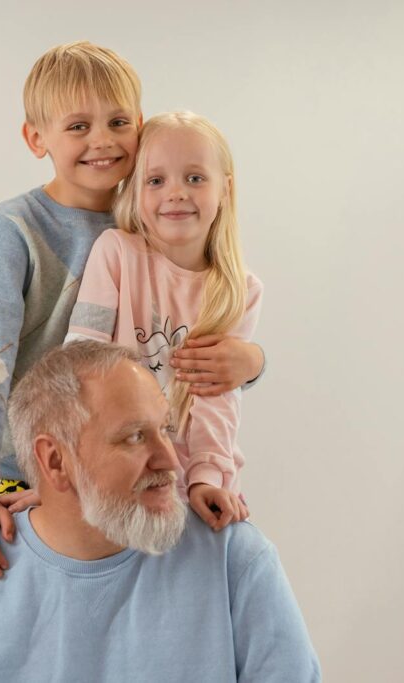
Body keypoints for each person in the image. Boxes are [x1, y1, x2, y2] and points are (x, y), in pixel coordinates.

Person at [0, 43, 266, 579]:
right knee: (20, 577)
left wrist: (252, 362)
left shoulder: (151, 224)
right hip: (14, 464)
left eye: (117, 121)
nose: (101, 140)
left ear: (139, 128)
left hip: (118, 466)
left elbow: (189, 331)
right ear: (36, 138)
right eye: (77, 126)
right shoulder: (16, 228)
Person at [0, 341, 320, 682]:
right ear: (56, 461)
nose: (170, 460)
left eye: (166, 430)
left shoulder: (235, 561)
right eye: (135, 437)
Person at [68, 111, 259, 531]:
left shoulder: (238, 291)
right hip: (115, 476)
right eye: (156, 181)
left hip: (192, 484)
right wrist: (69, 471)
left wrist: (205, 478)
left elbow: (219, 401)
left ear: (225, 189)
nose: (175, 193)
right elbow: (81, 363)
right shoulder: (116, 253)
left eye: (194, 178)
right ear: (136, 192)